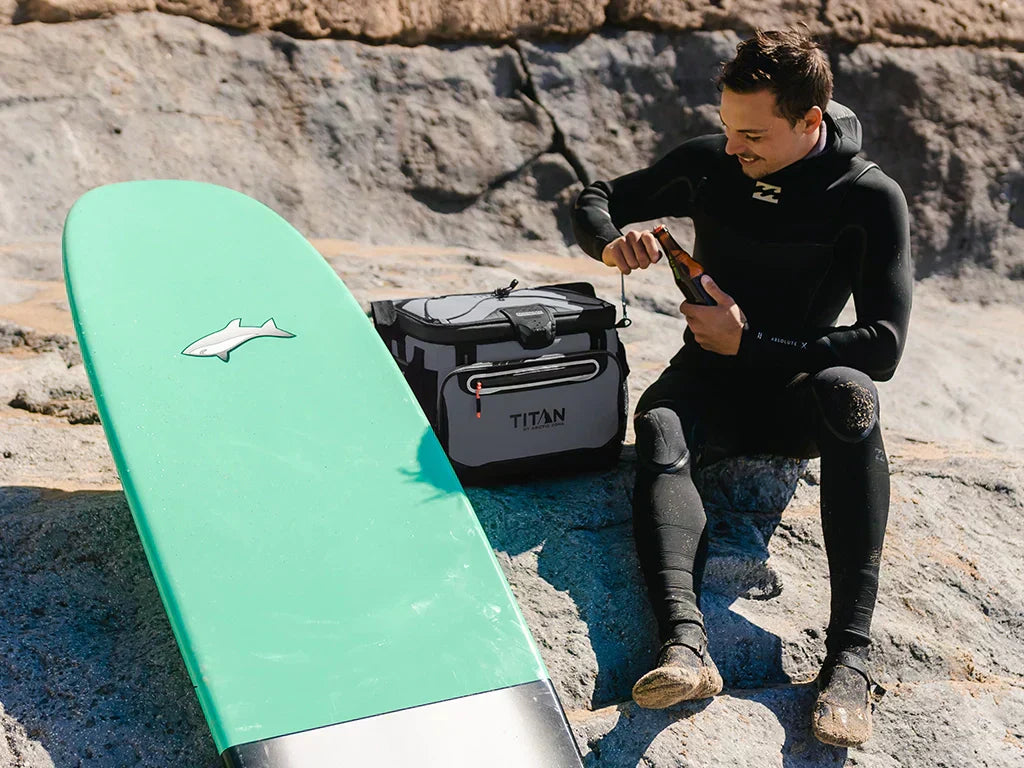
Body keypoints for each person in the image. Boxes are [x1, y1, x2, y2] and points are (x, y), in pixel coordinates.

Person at [571, 29, 912, 747]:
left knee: (852, 391)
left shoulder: (868, 196)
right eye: (726, 127)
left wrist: (751, 342)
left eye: (751, 133)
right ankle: (686, 648)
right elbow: (598, 196)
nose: (731, 148)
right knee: (659, 420)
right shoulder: (711, 162)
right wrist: (611, 243)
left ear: (810, 121)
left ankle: (849, 661)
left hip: (796, 389)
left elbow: (884, 344)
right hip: (710, 382)